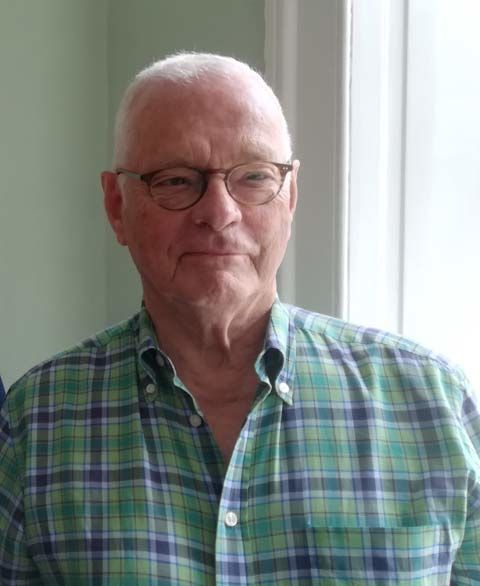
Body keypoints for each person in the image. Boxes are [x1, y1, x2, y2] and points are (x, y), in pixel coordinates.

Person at [0, 52, 479, 585]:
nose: (220, 212)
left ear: (290, 195)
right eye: (176, 181)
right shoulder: (35, 423)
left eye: (254, 176)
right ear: (117, 206)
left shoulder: (434, 405)